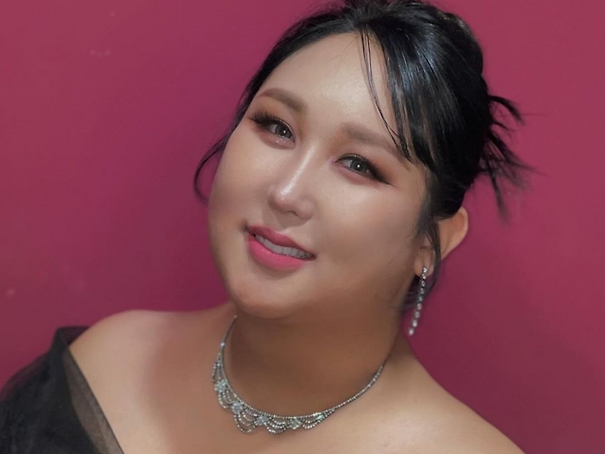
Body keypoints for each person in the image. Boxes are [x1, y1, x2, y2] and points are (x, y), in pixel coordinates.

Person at [0, 0, 538, 452]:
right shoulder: (106, 365)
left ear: (433, 240)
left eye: (359, 164)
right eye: (277, 127)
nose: (286, 193)